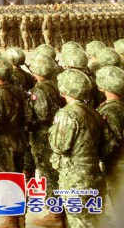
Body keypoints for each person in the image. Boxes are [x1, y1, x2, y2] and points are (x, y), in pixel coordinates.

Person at [50, 69, 105, 228]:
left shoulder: (67, 114)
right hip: (94, 174)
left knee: (79, 223)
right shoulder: (93, 112)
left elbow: (59, 146)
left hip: (75, 179)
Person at [25, 55, 63, 228]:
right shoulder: (55, 85)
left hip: (42, 137)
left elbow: (41, 115)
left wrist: (27, 121)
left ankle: (55, 214)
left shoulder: (39, 90)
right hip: (56, 133)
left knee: (48, 174)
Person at [96, 66, 123, 225]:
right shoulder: (118, 105)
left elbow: (111, 141)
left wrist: (97, 157)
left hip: (117, 166)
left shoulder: (111, 110)